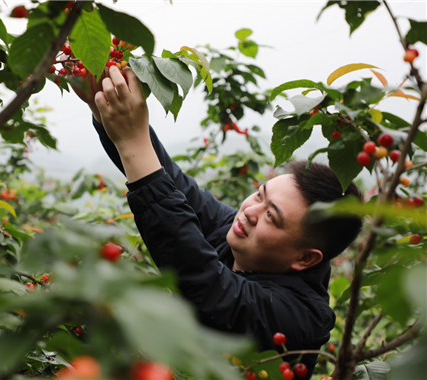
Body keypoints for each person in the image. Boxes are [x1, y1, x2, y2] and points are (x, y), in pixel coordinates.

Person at [72, 66, 363, 378]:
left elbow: (206, 285)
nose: (251, 210)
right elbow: (172, 187)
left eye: (271, 216)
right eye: (259, 194)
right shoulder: (237, 232)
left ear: (305, 258)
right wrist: (105, 113)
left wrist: (133, 140)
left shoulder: (301, 318)